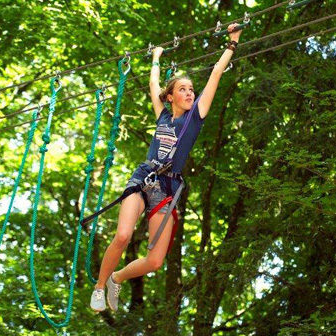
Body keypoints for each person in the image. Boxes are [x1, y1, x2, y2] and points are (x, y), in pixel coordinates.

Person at [90, 23, 242, 312]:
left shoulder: (195, 117)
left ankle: (116, 278)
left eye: (191, 89)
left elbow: (215, 75)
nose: (189, 92)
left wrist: (232, 43)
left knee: (156, 261)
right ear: (170, 97)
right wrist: (156, 57)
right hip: (144, 178)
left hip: (169, 187)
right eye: (182, 89)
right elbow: (153, 84)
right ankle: (99, 287)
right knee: (123, 236)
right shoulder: (162, 116)